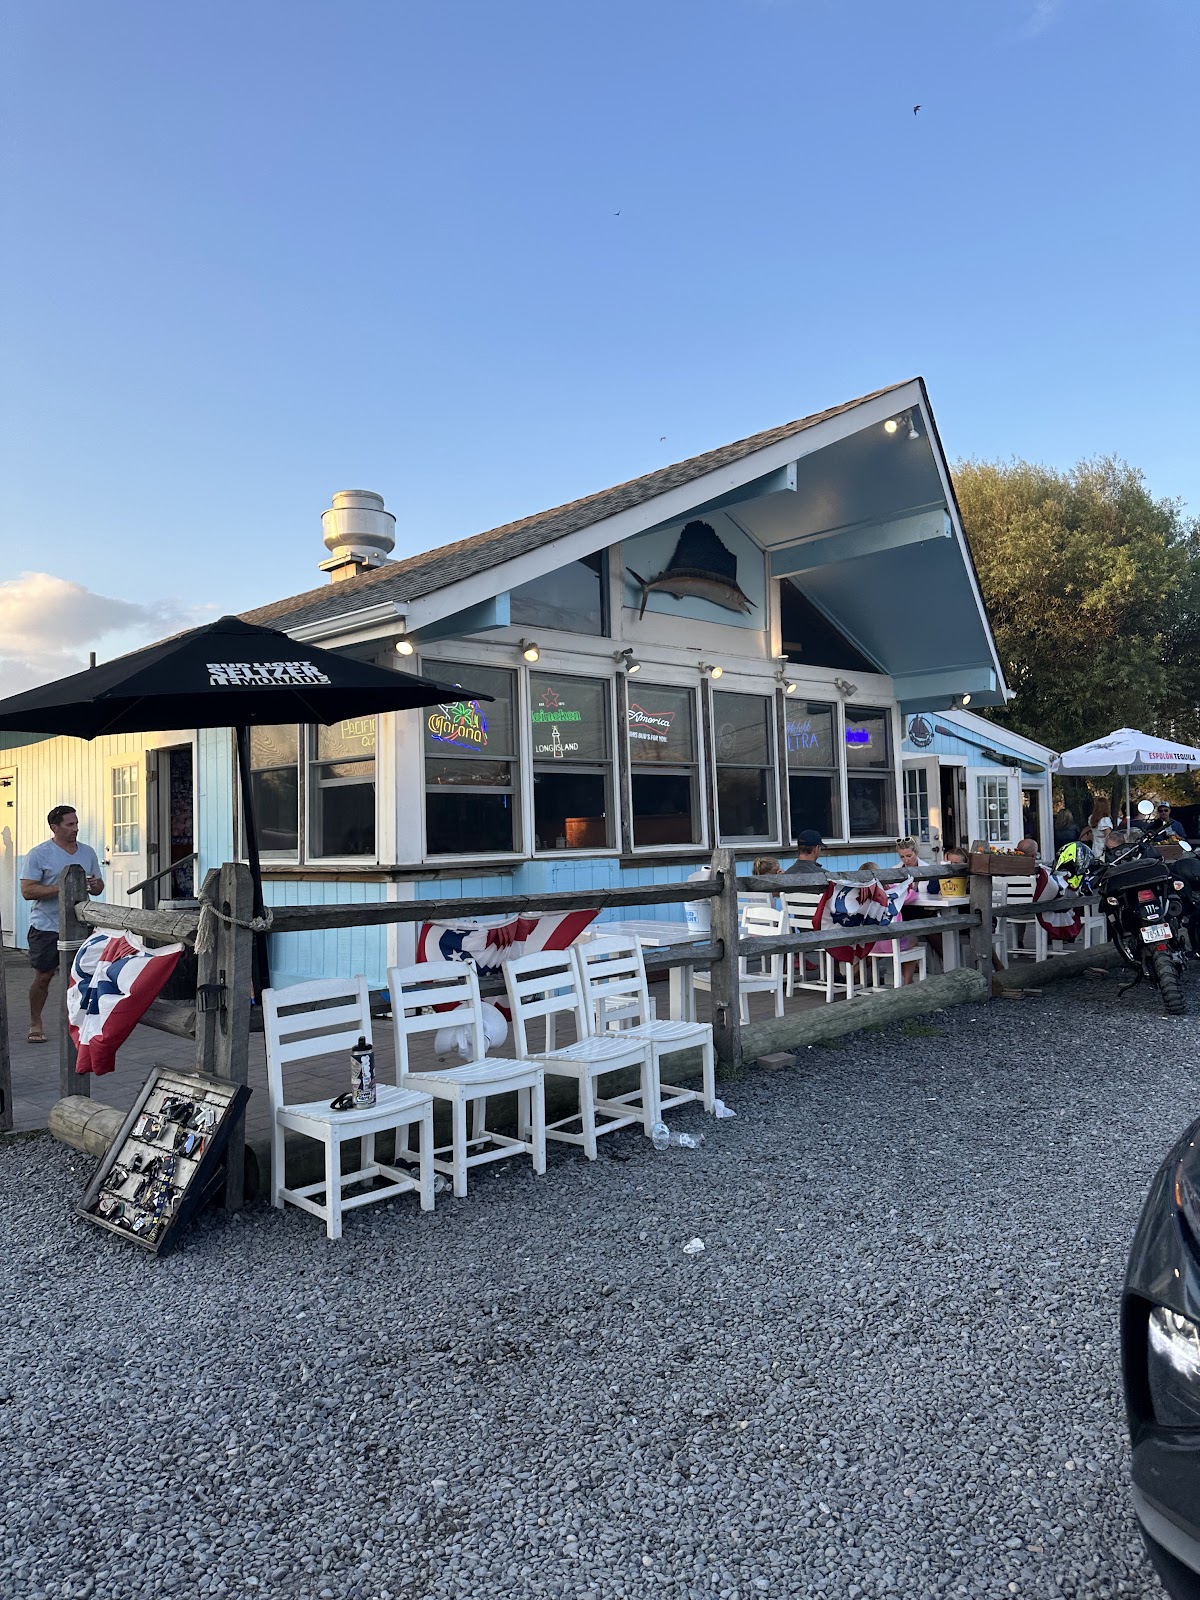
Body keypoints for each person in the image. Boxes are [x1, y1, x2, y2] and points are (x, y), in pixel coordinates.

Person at [20, 805, 104, 1045]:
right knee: (44, 977)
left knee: (83, 976)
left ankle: (81, 1023)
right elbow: (27, 890)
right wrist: (64, 888)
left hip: (80, 925)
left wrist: (94, 885)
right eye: (69, 824)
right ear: (54, 827)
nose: (75, 829)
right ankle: (35, 1022)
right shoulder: (39, 854)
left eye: (76, 824)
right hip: (46, 927)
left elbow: (98, 887)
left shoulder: (87, 852)